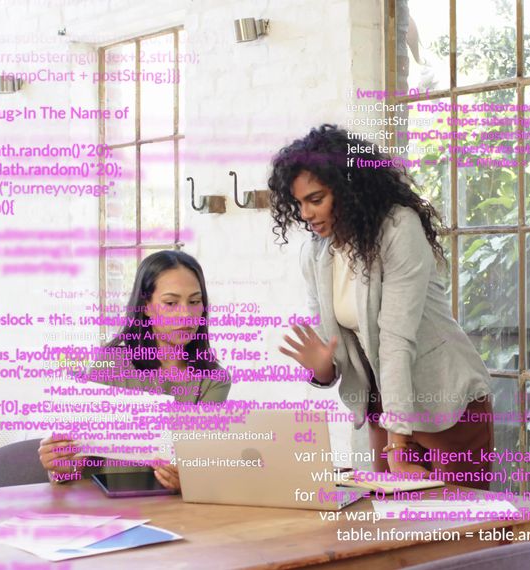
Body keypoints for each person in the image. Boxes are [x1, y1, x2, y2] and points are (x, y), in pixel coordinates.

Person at [269, 124, 494, 490]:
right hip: (388, 410)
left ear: (348, 188)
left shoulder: (398, 228)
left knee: (457, 523)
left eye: (315, 199)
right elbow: (334, 347)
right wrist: (322, 368)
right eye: (298, 204)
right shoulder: (316, 255)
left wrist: (399, 444)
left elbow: (395, 338)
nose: (305, 213)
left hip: (447, 404)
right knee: (390, 520)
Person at [37, 250, 230, 490]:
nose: (186, 314)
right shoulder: (109, 363)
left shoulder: (214, 380)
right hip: (106, 508)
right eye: (171, 303)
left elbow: (202, 464)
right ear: (146, 306)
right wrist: (61, 466)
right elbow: (75, 466)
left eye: (194, 302)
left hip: (174, 510)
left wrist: (192, 481)